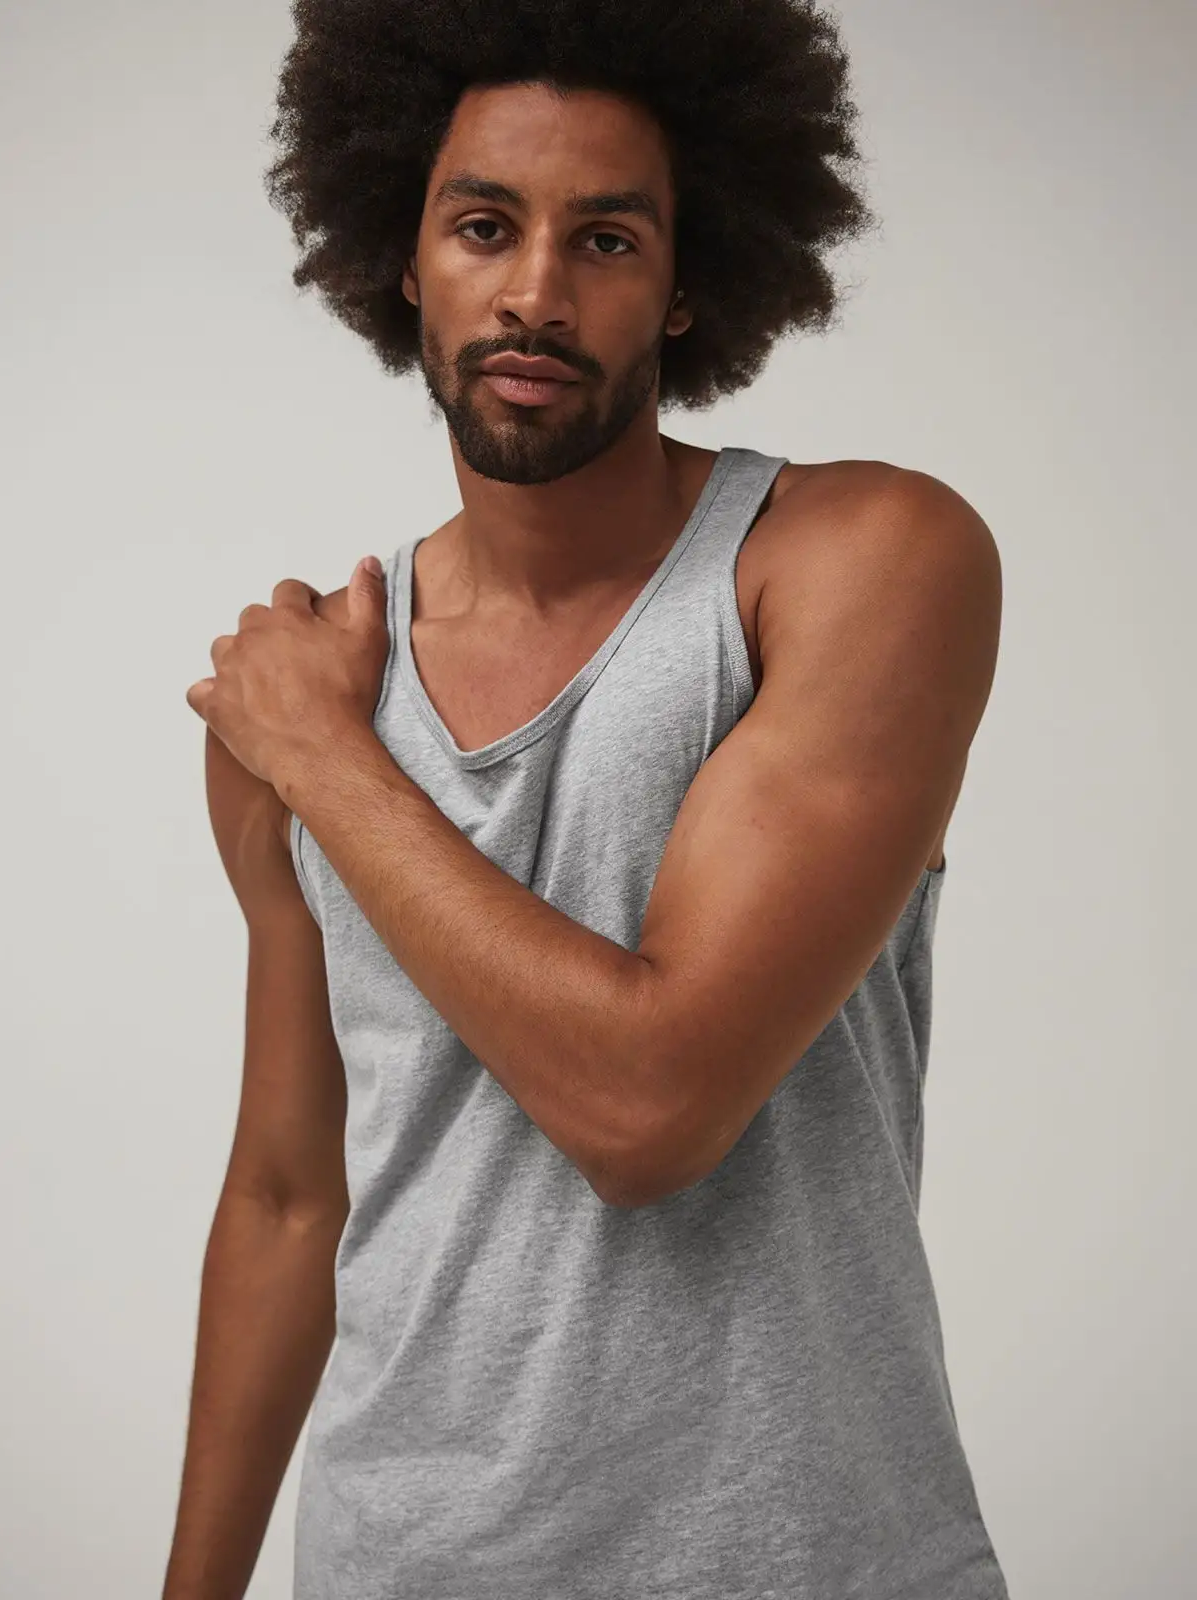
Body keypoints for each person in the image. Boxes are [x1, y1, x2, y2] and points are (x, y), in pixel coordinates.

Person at [165, 1, 1009, 1596]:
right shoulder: (308, 693)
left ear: (688, 283)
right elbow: (285, 1197)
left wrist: (330, 760)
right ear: (406, 257)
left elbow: (649, 1109)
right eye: (485, 226)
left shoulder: (856, 565)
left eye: (606, 240)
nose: (536, 294)